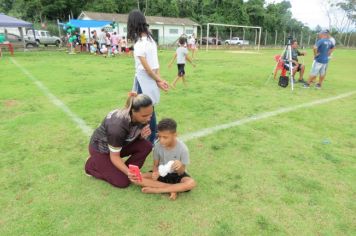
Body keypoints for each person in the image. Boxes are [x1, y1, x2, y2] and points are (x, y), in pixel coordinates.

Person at [84, 93, 154, 188]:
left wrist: (141, 136)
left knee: (146, 146)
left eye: (151, 114)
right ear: (133, 111)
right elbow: (114, 156)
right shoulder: (117, 126)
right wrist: (127, 172)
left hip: (118, 145)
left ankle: (122, 170)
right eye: (145, 116)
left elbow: (130, 136)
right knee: (122, 182)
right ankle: (91, 164)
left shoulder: (142, 115)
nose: (149, 118)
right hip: (102, 150)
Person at [127, 9, 169, 144]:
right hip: (149, 80)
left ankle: (148, 139)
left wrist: (159, 80)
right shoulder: (151, 41)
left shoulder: (140, 44)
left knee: (140, 111)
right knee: (149, 109)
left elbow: (147, 69)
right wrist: (159, 80)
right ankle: (152, 136)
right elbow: (155, 66)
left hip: (143, 81)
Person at [141, 118, 196, 200]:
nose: (161, 140)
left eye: (165, 137)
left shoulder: (183, 149)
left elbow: (181, 172)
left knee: (191, 183)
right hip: (161, 173)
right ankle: (174, 189)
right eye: (159, 136)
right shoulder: (157, 146)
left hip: (177, 176)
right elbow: (155, 165)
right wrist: (155, 173)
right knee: (137, 178)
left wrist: (180, 166)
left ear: (175, 135)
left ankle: (157, 190)